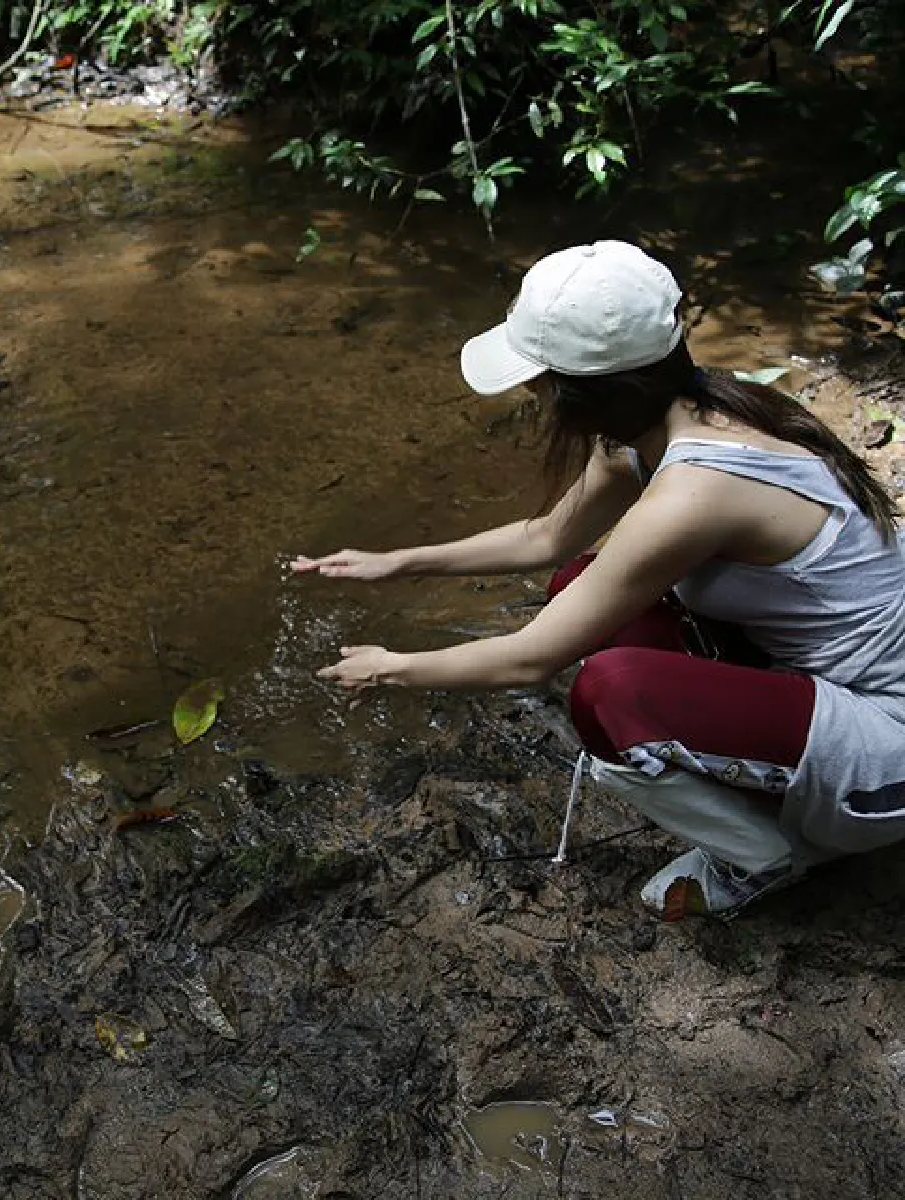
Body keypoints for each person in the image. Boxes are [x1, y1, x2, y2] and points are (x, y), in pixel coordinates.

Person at [292, 240, 905, 921]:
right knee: (579, 583)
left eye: (538, 380)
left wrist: (390, 668)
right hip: (823, 677)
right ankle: (776, 787)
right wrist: (401, 562)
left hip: (887, 749)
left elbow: (529, 660)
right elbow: (548, 538)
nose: (530, 395)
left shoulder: (695, 492)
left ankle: (766, 856)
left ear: (584, 392)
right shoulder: (686, 412)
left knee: (611, 693)